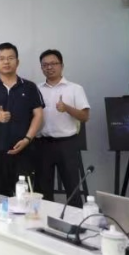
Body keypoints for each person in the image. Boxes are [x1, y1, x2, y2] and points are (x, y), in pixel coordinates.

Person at [0, 43, 44, 197]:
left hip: (24, 149)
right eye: (2, 59)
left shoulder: (29, 87)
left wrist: (27, 139)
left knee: (24, 195)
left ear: (17, 61)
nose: (6, 62)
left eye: (10, 58)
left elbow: (39, 115)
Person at [35, 49, 90, 207]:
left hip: (67, 144)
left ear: (62, 65)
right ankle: (45, 218)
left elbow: (85, 116)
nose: (49, 67)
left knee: (72, 186)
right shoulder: (36, 89)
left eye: (53, 63)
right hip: (43, 144)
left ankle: (76, 219)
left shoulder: (74, 88)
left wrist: (66, 108)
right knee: (43, 188)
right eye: (45, 65)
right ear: (41, 68)